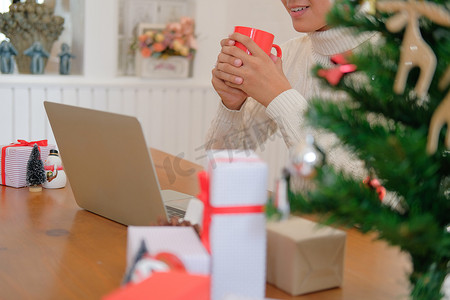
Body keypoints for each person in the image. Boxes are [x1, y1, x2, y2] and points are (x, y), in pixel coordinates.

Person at [207, 0, 378, 180]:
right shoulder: (290, 54)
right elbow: (222, 163)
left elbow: (373, 191)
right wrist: (232, 105)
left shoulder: (395, 61)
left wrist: (280, 97)